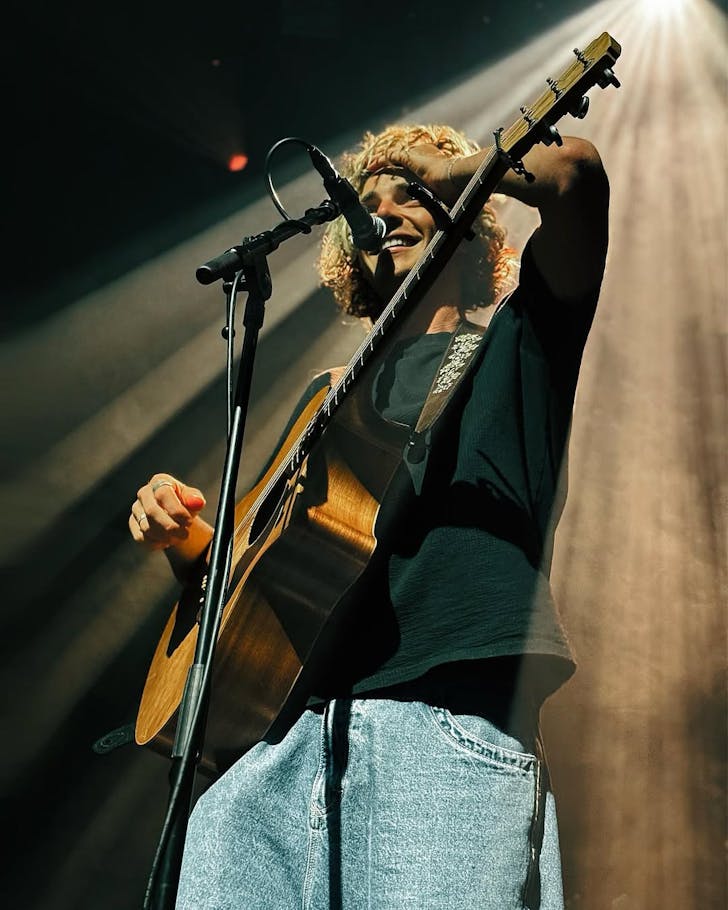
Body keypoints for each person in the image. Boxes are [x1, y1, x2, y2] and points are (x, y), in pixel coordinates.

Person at [129, 122, 609, 909]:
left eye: (410, 196)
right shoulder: (326, 395)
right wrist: (188, 540)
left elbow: (576, 175)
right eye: (371, 202)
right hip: (281, 746)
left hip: (440, 728)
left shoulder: (520, 344)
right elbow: (268, 566)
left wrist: (442, 169)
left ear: (466, 216)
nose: (385, 209)